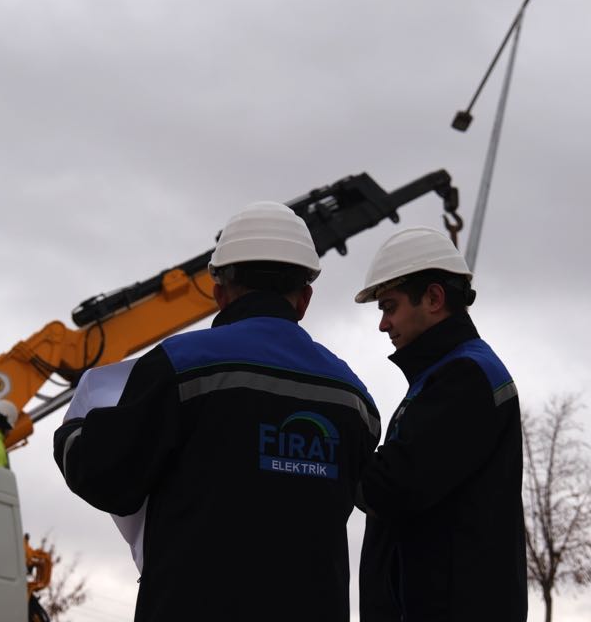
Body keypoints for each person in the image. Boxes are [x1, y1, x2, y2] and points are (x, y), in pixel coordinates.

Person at [53, 201, 380, 622]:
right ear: (305, 298)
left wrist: (74, 433)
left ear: (219, 291)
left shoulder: (178, 365)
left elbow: (106, 478)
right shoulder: (354, 397)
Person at [353, 227, 526, 622]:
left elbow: (389, 489)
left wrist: (343, 440)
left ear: (433, 298)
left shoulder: (463, 379)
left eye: (389, 306)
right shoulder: (450, 376)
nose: (383, 324)